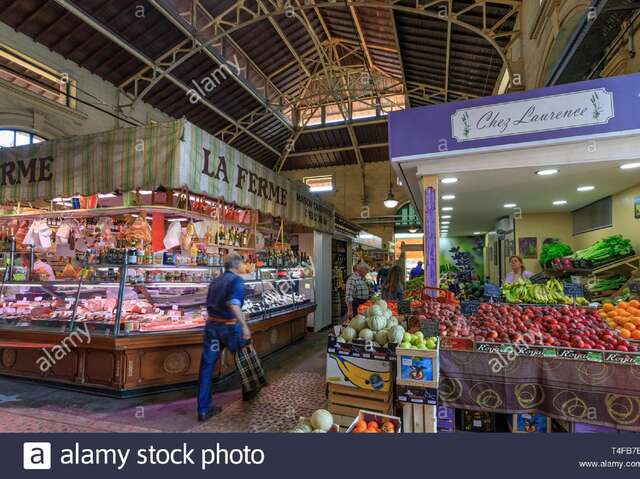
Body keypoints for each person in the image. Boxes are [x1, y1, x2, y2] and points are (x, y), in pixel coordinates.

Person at [197, 253, 260, 422]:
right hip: (230, 326)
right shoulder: (237, 281)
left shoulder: (215, 280)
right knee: (244, 357)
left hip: (212, 327)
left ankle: (203, 409)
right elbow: (233, 304)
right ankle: (250, 391)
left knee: (207, 367)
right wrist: (245, 326)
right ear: (237, 265)